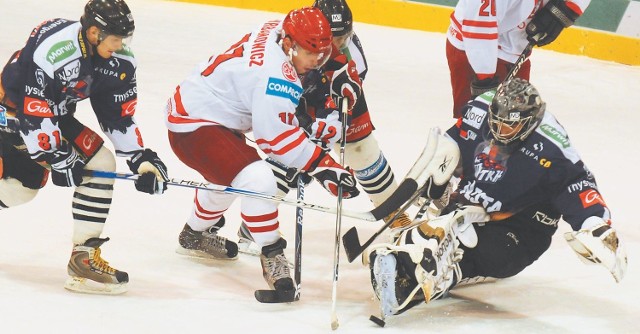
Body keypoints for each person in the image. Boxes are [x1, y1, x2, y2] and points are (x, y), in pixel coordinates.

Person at [365, 79, 627, 317]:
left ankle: (441, 273)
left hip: (521, 227)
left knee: (488, 253)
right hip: (471, 206)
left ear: (530, 122)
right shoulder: (480, 110)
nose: (500, 130)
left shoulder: (553, 148)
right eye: (497, 121)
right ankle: (417, 268)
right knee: (433, 234)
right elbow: (454, 141)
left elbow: (577, 184)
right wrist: (436, 174)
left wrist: (595, 224)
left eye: (510, 125)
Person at [164, 7, 359, 299]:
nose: (318, 62)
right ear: (290, 46)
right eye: (312, 54)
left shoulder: (278, 27)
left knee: (229, 176)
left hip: (204, 107)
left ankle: (194, 234)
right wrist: (323, 165)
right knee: (258, 180)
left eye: (323, 54)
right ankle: (272, 256)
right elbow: (275, 141)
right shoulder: (275, 79)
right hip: (194, 126)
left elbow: (282, 105)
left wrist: (308, 103)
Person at [0, 0, 169, 295]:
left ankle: (83, 259)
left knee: (99, 164)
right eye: (116, 38)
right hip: (11, 112)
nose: (121, 45)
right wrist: (55, 154)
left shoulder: (121, 61)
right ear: (93, 33)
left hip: (55, 115)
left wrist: (140, 158)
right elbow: (33, 108)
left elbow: (118, 116)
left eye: (125, 38)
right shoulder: (55, 51)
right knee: (19, 190)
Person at [236, 0, 412, 251]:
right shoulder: (292, 41)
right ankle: (253, 226)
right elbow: (274, 90)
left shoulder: (353, 56)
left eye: (344, 37)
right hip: (300, 98)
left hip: (332, 99)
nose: (339, 44)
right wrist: (309, 130)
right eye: (333, 37)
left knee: (364, 151)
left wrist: (334, 119)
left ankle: (396, 215)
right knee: (290, 157)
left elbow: (347, 92)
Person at [446, 0, 591, 118]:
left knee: (516, 125)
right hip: (474, 51)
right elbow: (478, 30)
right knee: (476, 126)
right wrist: (485, 84)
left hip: (516, 47)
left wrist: (568, 8)